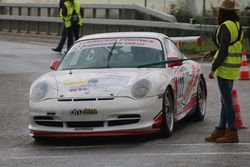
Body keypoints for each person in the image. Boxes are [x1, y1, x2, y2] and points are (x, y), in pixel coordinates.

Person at [204, 0, 243, 143]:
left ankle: (232, 131)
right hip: (233, 68)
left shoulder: (226, 26)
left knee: (227, 101)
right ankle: (221, 129)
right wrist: (212, 51)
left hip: (225, 68)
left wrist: (213, 68)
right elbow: (228, 46)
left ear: (222, 12)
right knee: (224, 100)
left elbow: (224, 51)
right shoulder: (237, 26)